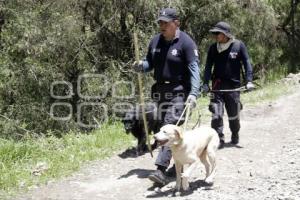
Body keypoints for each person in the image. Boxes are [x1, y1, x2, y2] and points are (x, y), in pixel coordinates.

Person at [133, 8, 200, 185]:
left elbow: (194, 70)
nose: (162, 26)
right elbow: (149, 63)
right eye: (160, 22)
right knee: (164, 130)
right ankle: (177, 163)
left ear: (176, 23)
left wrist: (194, 93)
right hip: (160, 92)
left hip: (180, 92)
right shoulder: (155, 41)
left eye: (165, 22)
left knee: (169, 127)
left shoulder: (186, 43)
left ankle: (160, 170)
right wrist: (142, 65)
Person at [202, 21, 254, 149]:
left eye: (218, 33)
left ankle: (235, 133)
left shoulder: (238, 46)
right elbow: (208, 66)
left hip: (233, 87)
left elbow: (247, 63)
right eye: (215, 33)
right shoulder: (213, 48)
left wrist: (249, 81)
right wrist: (205, 83)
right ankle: (218, 139)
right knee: (216, 114)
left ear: (226, 34)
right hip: (217, 86)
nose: (216, 36)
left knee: (234, 115)